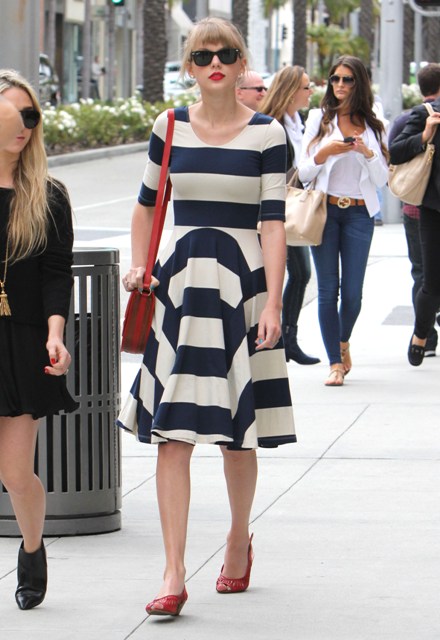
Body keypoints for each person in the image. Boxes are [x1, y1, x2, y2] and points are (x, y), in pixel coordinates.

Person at [117, 17, 295, 617]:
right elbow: (146, 207)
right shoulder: (168, 126)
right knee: (172, 434)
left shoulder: (268, 133)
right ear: (190, 66)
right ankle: (173, 571)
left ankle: (238, 538)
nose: (214, 62)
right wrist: (140, 266)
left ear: (242, 63)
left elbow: (274, 222)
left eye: (225, 53)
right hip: (181, 291)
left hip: (242, 290)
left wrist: (274, 301)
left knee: (237, 435)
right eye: (201, 55)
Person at [0, 69, 77, 610]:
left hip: (22, 342)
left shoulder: (47, 194)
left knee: (14, 472)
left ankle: (31, 550)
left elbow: (56, 273)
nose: (24, 124)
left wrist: (56, 334)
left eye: (32, 115)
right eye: (13, 113)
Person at [298, 56, 388, 386]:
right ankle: (335, 363)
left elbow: (381, 179)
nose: (339, 85)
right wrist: (325, 153)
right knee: (327, 291)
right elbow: (303, 171)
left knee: (352, 295)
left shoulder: (375, 121)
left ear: (359, 83)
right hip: (325, 211)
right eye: (335, 78)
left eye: (347, 79)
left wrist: (367, 153)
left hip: (359, 215)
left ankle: (343, 341)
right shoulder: (319, 118)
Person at [259, 65, 320, 365]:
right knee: (298, 273)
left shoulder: (298, 123)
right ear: (292, 91)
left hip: (289, 210)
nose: (311, 92)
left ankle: (287, 339)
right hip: (276, 212)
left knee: (299, 273)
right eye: (306, 87)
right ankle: (284, 339)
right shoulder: (275, 127)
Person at [388, 63, 440, 360]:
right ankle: (421, 334)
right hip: (433, 210)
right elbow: (395, 152)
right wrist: (424, 136)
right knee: (430, 282)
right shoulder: (426, 114)